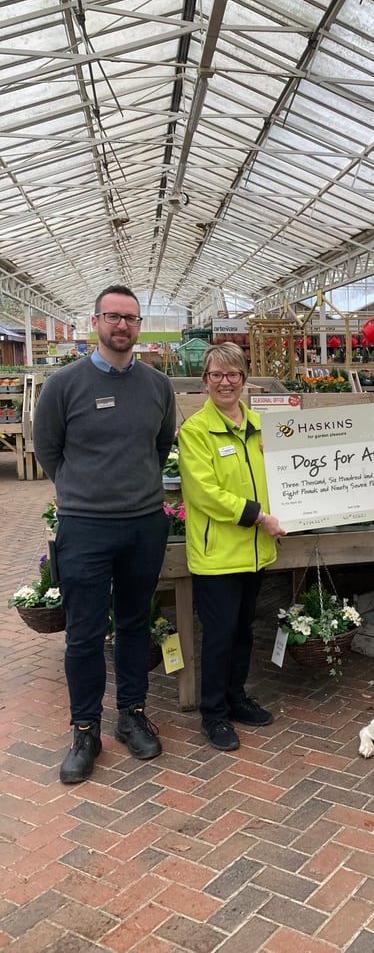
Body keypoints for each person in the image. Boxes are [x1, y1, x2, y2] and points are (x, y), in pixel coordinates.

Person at [34, 285, 176, 784]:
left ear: (140, 326)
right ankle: (84, 729)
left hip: (143, 525)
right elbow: (48, 450)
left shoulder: (158, 387)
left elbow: (160, 446)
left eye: (131, 319)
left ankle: (132, 716)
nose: (123, 326)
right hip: (85, 527)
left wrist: (133, 492)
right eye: (114, 317)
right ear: (95, 322)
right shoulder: (63, 385)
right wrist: (84, 493)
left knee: (137, 623)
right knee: (85, 633)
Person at [178, 342, 285, 751]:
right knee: (220, 635)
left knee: (243, 631)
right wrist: (260, 516)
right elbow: (205, 494)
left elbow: (284, 475)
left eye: (233, 374)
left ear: (244, 380)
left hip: (255, 551)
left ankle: (237, 697)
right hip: (219, 555)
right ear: (205, 381)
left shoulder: (260, 426)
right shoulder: (196, 431)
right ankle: (214, 713)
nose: (226, 382)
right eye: (217, 375)